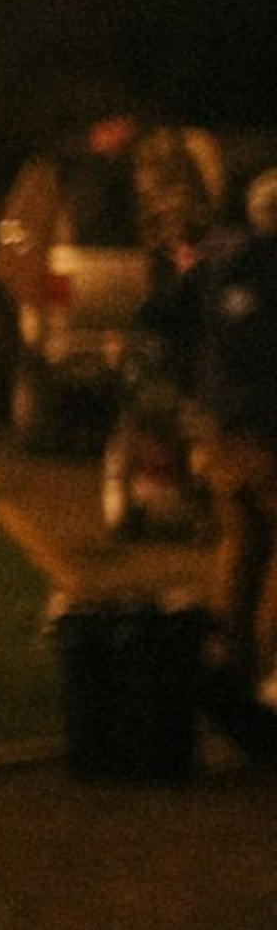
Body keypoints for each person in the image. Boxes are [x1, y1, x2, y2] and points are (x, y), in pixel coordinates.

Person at [146, 166, 277, 706]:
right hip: (268, 432)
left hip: (220, 430)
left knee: (241, 544)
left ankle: (228, 666)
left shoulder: (218, 261)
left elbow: (155, 314)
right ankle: (271, 675)